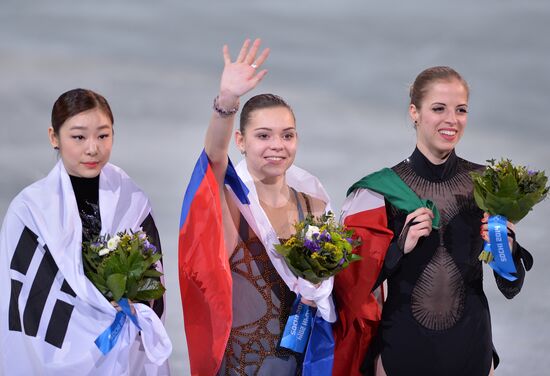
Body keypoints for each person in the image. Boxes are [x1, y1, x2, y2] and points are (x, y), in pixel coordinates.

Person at [334, 66, 533, 376]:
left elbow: (510, 287)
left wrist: (506, 249)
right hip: (402, 351)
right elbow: (350, 290)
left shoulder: (488, 186)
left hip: (471, 351)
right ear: (415, 112)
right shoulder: (381, 191)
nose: (451, 119)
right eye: (438, 108)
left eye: (461, 110)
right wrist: (399, 248)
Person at [178, 39, 336, 376]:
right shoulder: (233, 207)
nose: (277, 145)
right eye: (263, 136)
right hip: (240, 367)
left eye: (287, 135)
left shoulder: (316, 207)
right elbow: (213, 161)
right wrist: (227, 101)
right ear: (241, 141)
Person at [0, 88, 171, 375]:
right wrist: (91, 313)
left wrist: (132, 303)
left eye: (103, 136)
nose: (92, 148)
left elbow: (153, 278)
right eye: (78, 137)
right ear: (54, 137)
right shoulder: (30, 210)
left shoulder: (131, 199)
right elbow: (24, 299)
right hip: (56, 352)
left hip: (122, 351)